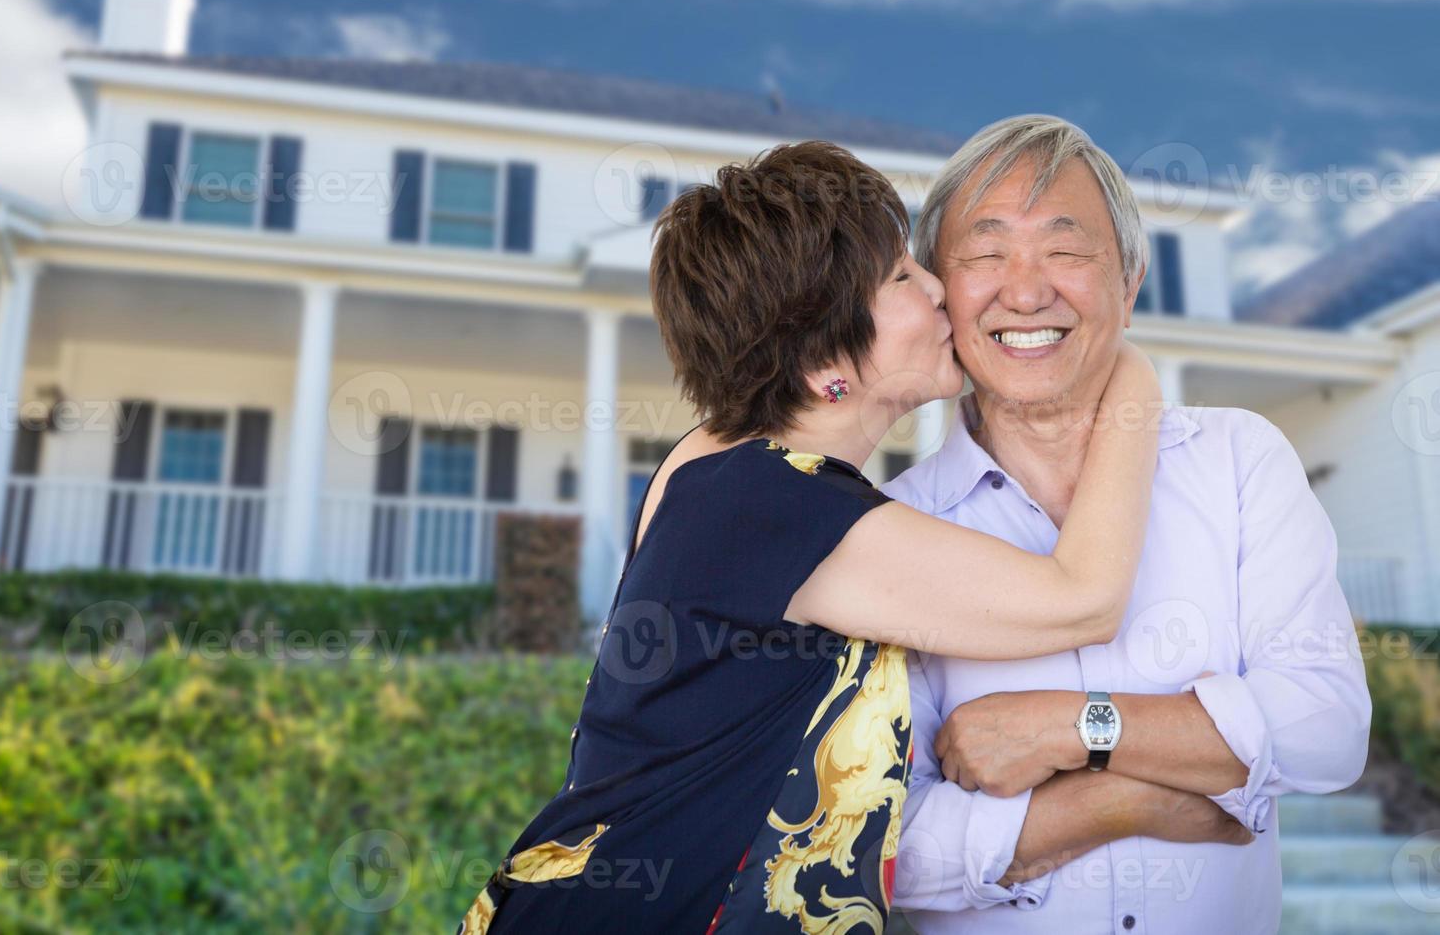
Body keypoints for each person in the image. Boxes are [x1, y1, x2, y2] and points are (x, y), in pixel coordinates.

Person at [457, 140, 1164, 934]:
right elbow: (1084, 599)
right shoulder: (776, 505)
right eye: (901, 276)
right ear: (824, 348)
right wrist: (1128, 369)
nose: (938, 289)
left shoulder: (714, 463)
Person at [886, 115, 1370, 935]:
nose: (1027, 290)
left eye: (1066, 251)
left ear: (1131, 282)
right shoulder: (894, 530)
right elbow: (888, 850)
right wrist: (1119, 800)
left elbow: (1325, 728)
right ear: (939, 293)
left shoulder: (1238, 461)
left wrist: (1074, 728)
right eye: (985, 253)